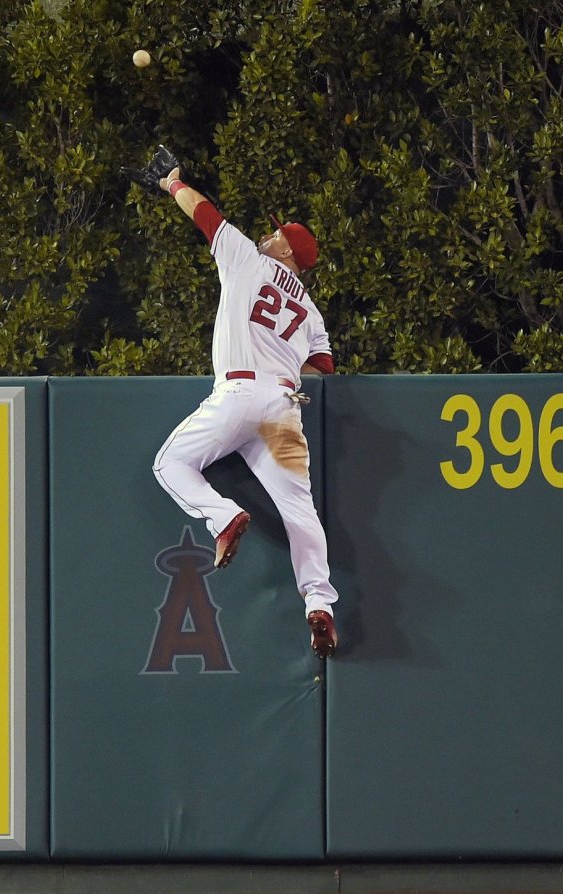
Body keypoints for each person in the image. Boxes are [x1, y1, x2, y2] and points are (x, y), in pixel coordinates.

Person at [124, 145, 338, 658]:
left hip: (239, 393)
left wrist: (172, 183)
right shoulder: (310, 311)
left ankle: (221, 516)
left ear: (287, 249)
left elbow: (205, 215)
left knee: (170, 463)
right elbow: (323, 368)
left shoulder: (247, 258)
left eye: (277, 233)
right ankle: (321, 603)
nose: (268, 234)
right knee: (299, 511)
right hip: (284, 410)